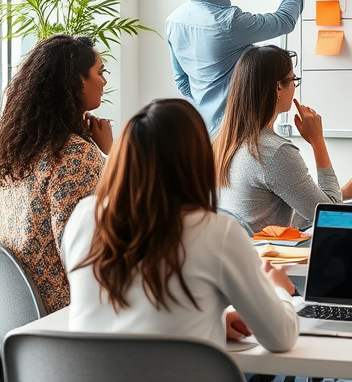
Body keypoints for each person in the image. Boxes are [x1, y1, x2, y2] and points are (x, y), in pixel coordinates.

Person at [62, 98, 299, 350]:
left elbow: (128, 319)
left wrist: (213, 319)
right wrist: (278, 291)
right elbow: (280, 338)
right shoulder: (217, 232)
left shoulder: (83, 217)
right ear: (197, 162)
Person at [166, 0, 331, 135]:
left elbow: (182, 81)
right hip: (238, 134)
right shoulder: (228, 22)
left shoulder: (174, 20)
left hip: (208, 135)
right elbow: (284, 21)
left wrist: (210, 108)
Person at [0, 34, 113, 313]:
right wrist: (110, 154)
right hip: (68, 317)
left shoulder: (16, 153)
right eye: (100, 72)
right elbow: (87, 258)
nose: (105, 81)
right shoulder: (74, 156)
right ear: (77, 82)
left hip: (22, 318)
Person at [213, 45, 352, 232]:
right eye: (293, 80)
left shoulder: (226, 142)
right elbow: (330, 216)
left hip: (242, 255)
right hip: (266, 257)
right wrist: (317, 141)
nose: (294, 86)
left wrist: (342, 193)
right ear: (278, 88)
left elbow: (291, 212)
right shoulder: (273, 151)